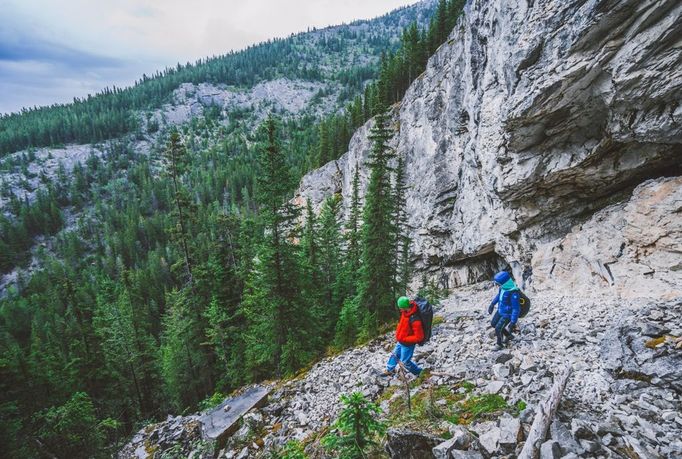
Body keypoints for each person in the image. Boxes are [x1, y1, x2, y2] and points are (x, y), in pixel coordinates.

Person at [381, 296, 424, 377]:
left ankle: (419, 372)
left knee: (405, 362)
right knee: (394, 355)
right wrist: (399, 335)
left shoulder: (415, 319)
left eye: (401, 308)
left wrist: (404, 338)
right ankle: (389, 369)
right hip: (401, 342)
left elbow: (419, 337)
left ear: (405, 307)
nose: (400, 310)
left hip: (408, 345)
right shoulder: (405, 313)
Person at [488, 271, 521, 350]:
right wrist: (492, 304)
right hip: (500, 310)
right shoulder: (503, 288)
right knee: (493, 324)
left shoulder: (514, 293)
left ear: (504, 283)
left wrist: (513, 322)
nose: (497, 285)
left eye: (498, 283)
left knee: (498, 328)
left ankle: (499, 344)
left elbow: (516, 308)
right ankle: (509, 336)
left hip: (507, 314)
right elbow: (499, 296)